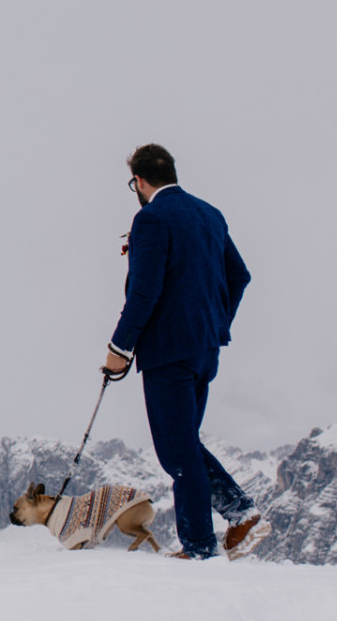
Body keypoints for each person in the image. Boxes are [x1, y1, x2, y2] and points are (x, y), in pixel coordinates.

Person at [102, 144, 265, 560]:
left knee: (175, 448)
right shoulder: (210, 214)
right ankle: (232, 520)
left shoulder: (151, 218)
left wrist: (120, 347)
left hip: (167, 349)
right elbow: (239, 275)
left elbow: (145, 290)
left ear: (138, 181)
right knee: (184, 443)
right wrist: (215, 323)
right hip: (205, 347)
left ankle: (204, 542)